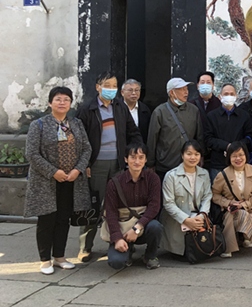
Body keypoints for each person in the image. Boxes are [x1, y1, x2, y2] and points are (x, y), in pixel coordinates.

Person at [75, 71, 143, 262]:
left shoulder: (120, 107)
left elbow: (133, 132)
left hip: (118, 164)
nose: (111, 89)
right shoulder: (87, 110)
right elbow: (78, 140)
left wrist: (135, 154)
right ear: (98, 87)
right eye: (107, 86)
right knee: (93, 205)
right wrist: (85, 164)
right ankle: (85, 247)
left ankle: (118, 243)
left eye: (114, 86)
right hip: (95, 165)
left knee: (119, 204)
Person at [24, 87, 92, 275]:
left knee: (63, 219)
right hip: (46, 181)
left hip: (70, 180)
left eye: (66, 99)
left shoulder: (76, 124)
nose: (62, 103)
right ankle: (45, 259)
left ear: (71, 103)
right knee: (47, 219)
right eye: (58, 99)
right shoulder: (38, 125)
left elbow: (86, 149)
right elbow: (31, 153)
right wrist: (53, 172)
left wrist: (77, 169)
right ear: (50, 103)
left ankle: (60, 257)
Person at [104, 144, 163, 270]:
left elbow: (154, 207)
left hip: (143, 226)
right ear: (126, 159)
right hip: (122, 227)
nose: (137, 161)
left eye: (141, 157)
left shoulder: (153, 179)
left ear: (146, 160)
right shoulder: (114, 183)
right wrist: (117, 238)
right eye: (133, 157)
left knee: (156, 226)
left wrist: (136, 228)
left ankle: (150, 255)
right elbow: (111, 213)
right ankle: (128, 249)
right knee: (116, 263)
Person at [211, 142, 252, 256]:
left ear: (246, 155)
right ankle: (230, 245)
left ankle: (246, 236)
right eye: (234, 156)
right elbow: (214, 195)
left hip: (251, 209)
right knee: (238, 215)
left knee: (245, 217)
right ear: (229, 157)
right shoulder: (223, 175)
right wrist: (229, 203)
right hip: (231, 211)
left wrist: (243, 205)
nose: (238, 159)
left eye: (241, 155)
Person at [160, 141, 212, 257]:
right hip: (178, 219)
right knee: (183, 253)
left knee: (201, 251)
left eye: (196, 154)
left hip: (197, 217)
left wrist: (202, 215)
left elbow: (207, 196)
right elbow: (168, 203)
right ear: (182, 155)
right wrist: (186, 220)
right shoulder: (171, 176)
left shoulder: (204, 173)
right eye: (189, 154)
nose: (193, 157)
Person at [147, 78, 204, 182]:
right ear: (172, 93)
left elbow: (199, 136)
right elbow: (152, 139)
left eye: (186, 89)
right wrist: (150, 163)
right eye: (182, 89)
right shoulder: (159, 112)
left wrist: (201, 156)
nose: (186, 92)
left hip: (189, 165)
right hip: (166, 165)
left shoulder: (194, 110)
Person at [205, 83, 252, 183]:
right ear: (220, 97)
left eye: (232, 94)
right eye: (226, 94)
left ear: (236, 96)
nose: (229, 96)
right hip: (218, 164)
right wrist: (226, 146)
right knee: (217, 191)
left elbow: (249, 137)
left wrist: (235, 147)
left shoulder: (244, 115)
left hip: (239, 163)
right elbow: (208, 139)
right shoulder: (212, 116)